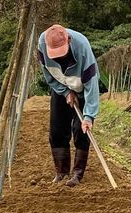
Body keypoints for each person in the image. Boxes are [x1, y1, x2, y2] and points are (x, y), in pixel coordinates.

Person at [37, 24, 100, 187]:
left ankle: (77, 174)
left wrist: (89, 116)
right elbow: (48, 74)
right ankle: (61, 173)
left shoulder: (82, 48)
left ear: (69, 41)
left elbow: (92, 84)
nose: (58, 58)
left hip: (83, 87)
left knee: (81, 130)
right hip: (61, 86)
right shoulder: (42, 44)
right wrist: (65, 92)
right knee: (57, 129)